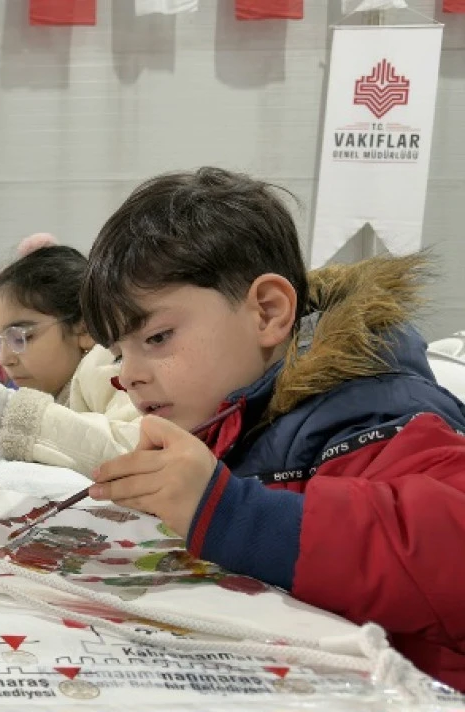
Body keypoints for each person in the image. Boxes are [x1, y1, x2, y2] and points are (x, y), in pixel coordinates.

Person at [82, 167, 465, 689]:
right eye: (119, 352)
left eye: (156, 338)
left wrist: (233, 515)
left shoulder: (374, 411)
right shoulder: (228, 417)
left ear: (267, 312)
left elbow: (450, 552)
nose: (128, 375)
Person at [0, 239, 140, 472]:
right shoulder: (61, 382)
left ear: (83, 329)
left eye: (20, 336)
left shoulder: (106, 366)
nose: (4, 359)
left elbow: (130, 452)